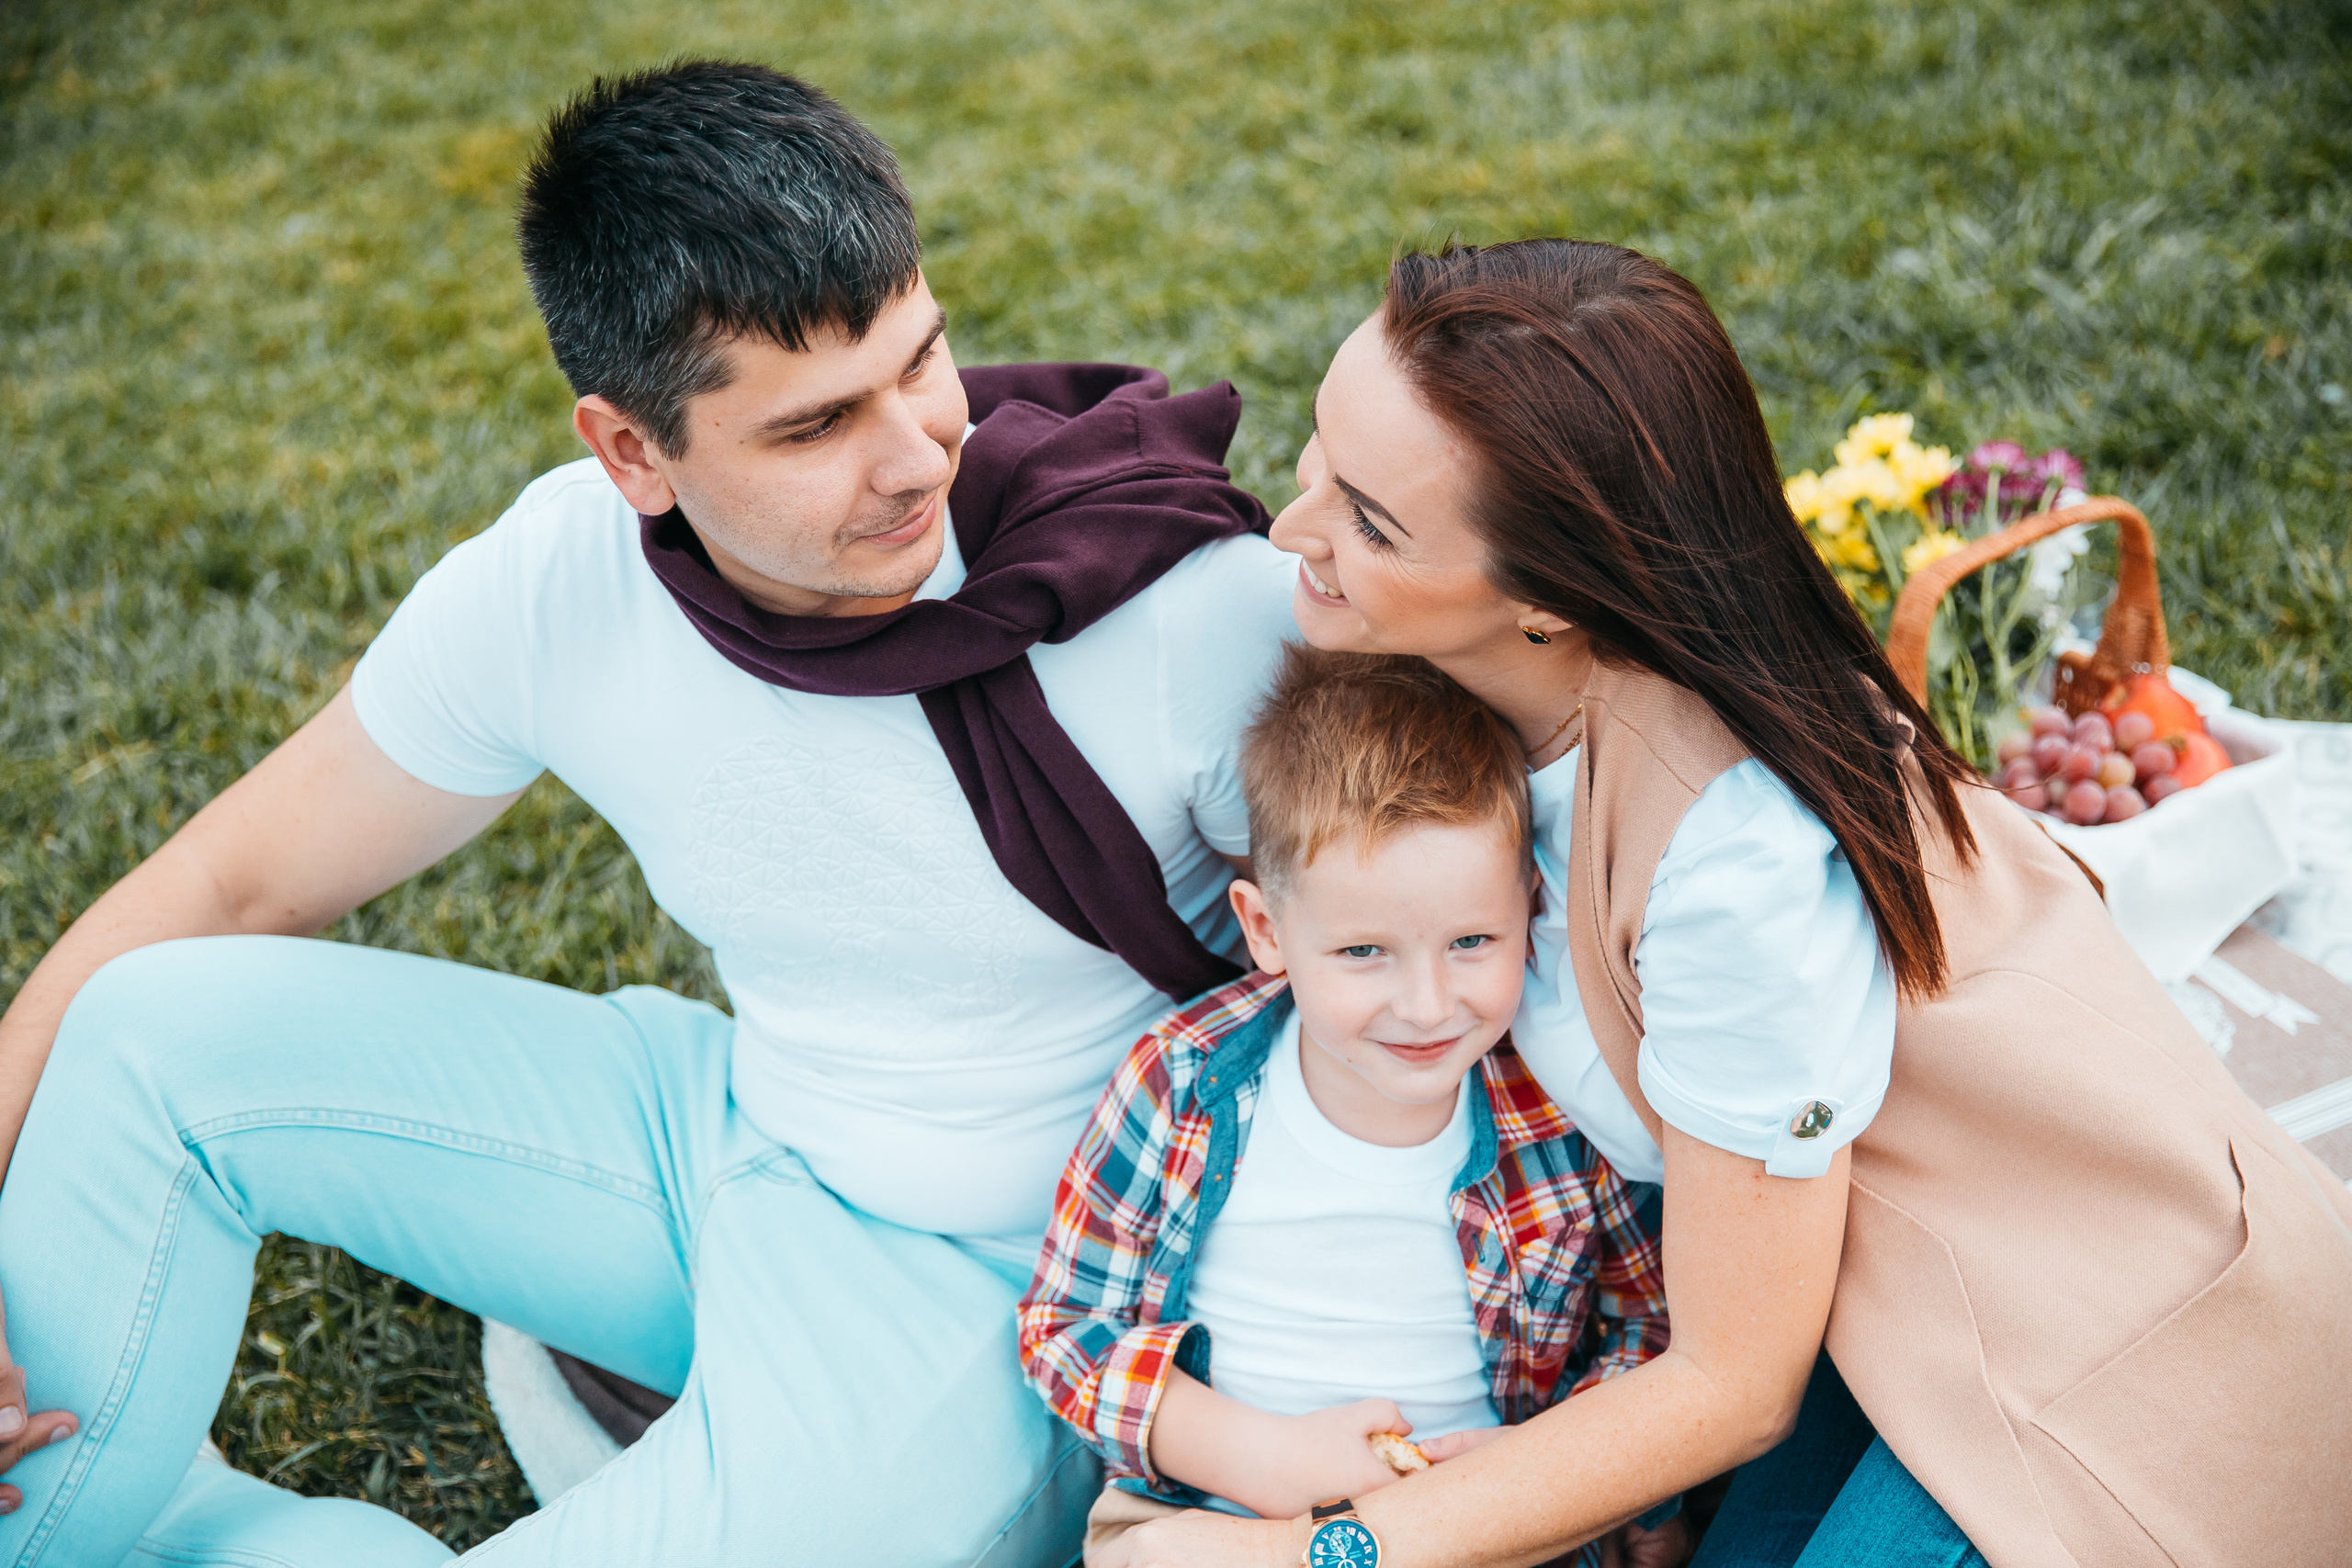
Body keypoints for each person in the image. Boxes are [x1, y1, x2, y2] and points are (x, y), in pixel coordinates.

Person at [0, 62, 1300, 1565]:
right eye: (814, 428)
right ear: (632, 453)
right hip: (735, 1133)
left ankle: (200, 1527)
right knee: (154, 1032)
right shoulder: (563, 585)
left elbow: (1485, 967)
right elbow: (234, 882)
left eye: (922, 358)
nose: (916, 453)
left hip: (1019, 1283)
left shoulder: (1186, 615)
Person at [1096, 239, 2352, 1568]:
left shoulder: (1734, 860)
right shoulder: (1476, 680)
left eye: (1369, 517)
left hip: (2100, 1354)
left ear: (1543, 596)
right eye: (1317, 449)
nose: (1291, 527)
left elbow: (1732, 1384)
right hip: (1854, 1320)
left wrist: (1316, 1550)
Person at [1017, 647, 1685, 1568]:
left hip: (1477, 1521)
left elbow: (1648, 1329)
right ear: (1267, 931)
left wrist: (1548, 1467)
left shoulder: (1558, 1111)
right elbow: (1064, 1330)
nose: (1425, 1004)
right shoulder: (1182, 1082)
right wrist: (1256, 1454)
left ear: (1531, 910)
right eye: (1364, 952)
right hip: (1213, 1516)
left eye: (1470, 941)